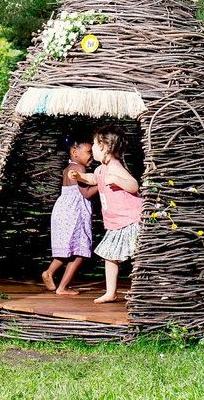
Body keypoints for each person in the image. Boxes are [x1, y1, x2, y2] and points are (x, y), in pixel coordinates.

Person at [68, 125, 143, 304]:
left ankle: (152, 286)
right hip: (116, 222)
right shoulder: (101, 169)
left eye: (94, 144)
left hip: (131, 219)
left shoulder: (115, 167)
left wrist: (116, 179)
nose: (92, 149)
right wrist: (80, 177)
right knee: (110, 256)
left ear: (104, 147)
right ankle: (111, 292)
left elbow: (134, 186)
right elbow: (95, 179)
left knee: (139, 255)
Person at [42, 136, 98, 295]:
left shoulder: (67, 169)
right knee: (80, 252)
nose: (92, 156)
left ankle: (49, 272)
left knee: (68, 249)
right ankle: (63, 287)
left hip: (63, 210)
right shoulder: (79, 170)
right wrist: (102, 183)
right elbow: (85, 193)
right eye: (88, 152)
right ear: (75, 152)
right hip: (74, 213)